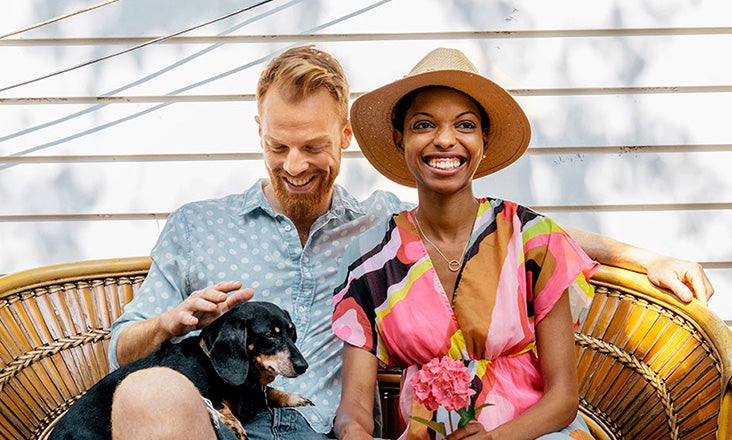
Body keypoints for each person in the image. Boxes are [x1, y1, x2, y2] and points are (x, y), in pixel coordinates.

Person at [107, 45, 713, 439]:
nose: (293, 164)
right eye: (277, 145)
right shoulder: (195, 224)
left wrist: (646, 258)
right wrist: (170, 322)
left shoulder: (382, 228)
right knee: (148, 389)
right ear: (258, 132)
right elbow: (122, 349)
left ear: (345, 135)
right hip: (219, 425)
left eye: (313, 147)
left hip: (325, 430)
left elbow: (505, 231)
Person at [331, 48, 626, 439]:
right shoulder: (372, 263)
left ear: (483, 140)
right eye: (423, 125)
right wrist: (354, 433)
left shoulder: (532, 241)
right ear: (401, 140)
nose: (445, 140)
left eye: (465, 125)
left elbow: (563, 400)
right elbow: (353, 410)